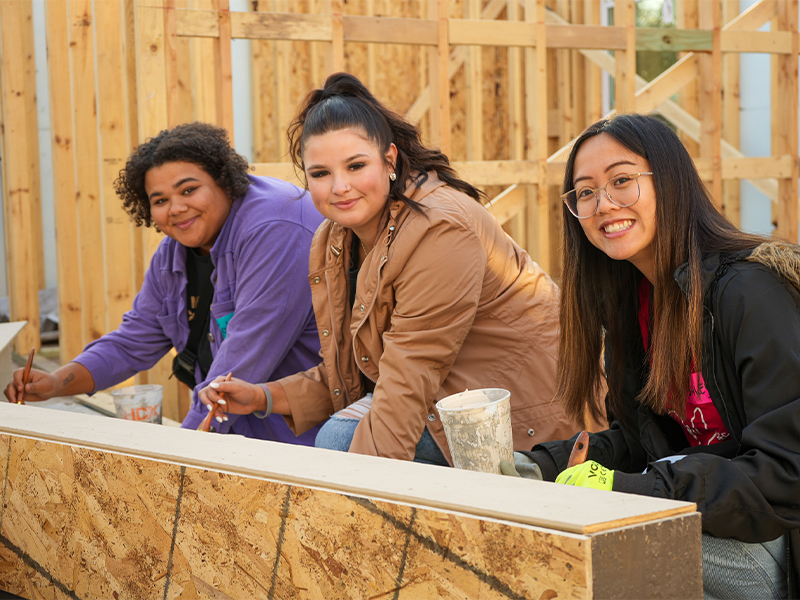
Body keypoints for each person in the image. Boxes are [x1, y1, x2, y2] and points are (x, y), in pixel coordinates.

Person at [198, 72, 586, 465]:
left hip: (528, 413)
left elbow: (410, 373)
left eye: (355, 166)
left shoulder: (439, 228)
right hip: (448, 395)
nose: (339, 187)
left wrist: (364, 508)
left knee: (340, 439)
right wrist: (264, 397)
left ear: (390, 161)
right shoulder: (333, 240)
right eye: (320, 173)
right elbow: (353, 372)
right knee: (341, 437)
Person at [503, 114, 800, 599]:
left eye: (622, 181)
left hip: (776, 537)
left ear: (671, 182)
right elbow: (645, 440)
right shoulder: (634, 302)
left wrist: (634, 490)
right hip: (709, 512)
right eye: (585, 192)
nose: (604, 204)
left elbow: (788, 471)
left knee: (600, 558)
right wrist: (542, 466)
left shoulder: (750, 292)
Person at [4, 122, 325, 445]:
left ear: (225, 181)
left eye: (188, 190)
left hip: (303, 447)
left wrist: (180, 456)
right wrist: (57, 382)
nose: (176, 208)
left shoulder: (277, 228)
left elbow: (241, 364)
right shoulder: (174, 254)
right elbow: (134, 340)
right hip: (236, 440)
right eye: (159, 200)